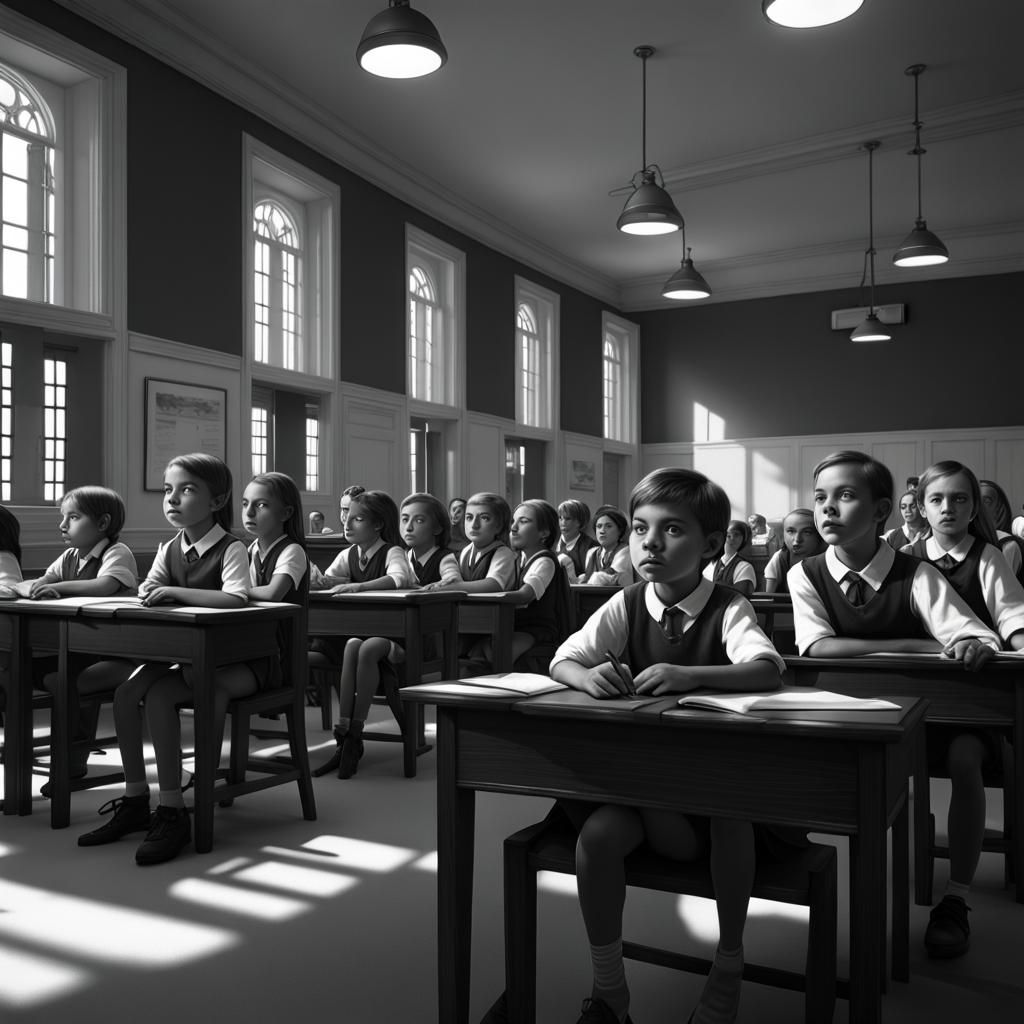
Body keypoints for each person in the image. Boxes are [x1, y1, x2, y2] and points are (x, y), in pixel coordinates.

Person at [550, 467, 788, 1024]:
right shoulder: (626, 602)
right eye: (638, 528)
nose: (649, 543)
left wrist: (689, 676)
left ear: (709, 546)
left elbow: (767, 669)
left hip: (710, 793)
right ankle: (609, 989)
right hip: (636, 784)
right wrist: (584, 678)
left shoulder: (730, 604)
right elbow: (564, 658)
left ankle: (728, 964)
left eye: (671, 530)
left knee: (733, 819)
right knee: (598, 835)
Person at [77, 454, 257, 865]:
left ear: (217, 501)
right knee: (125, 695)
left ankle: (173, 809)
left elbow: (235, 597)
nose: (173, 499)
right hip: (177, 653)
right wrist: (157, 591)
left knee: (158, 698)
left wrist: (176, 593)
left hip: (227, 660)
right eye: (168, 490)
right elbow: (150, 587)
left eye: (187, 490)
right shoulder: (170, 546)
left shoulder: (232, 548)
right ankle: (136, 798)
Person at [905, 461, 1024, 958]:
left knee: (963, 761)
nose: (947, 508)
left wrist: (1009, 642)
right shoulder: (903, 558)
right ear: (921, 507)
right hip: (915, 703)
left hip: (973, 707)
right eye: (937, 499)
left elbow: (1014, 618)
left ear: (975, 507)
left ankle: (956, 897)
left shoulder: (989, 557)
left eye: (959, 499)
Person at [788, 449, 999, 666]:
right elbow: (817, 646)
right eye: (820, 497)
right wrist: (916, 646)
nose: (828, 508)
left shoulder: (918, 574)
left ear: (881, 510)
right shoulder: (803, 573)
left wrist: (969, 643)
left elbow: (975, 636)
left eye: (846, 495)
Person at [16, 487, 138, 787]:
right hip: (78, 651)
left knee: (65, 681)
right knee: (24, 670)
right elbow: (41, 581)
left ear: (102, 523)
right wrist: (29, 588)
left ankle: (70, 761)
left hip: (118, 656)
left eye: (73, 517)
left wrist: (58, 589)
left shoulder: (116, 553)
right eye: (63, 517)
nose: (62, 525)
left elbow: (105, 586)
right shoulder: (70, 556)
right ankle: (28, 759)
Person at [311, 490, 411, 776]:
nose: (347, 523)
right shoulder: (348, 554)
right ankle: (348, 737)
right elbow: (332, 579)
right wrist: (322, 581)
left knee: (364, 647)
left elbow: (399, 578)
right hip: (363, 634)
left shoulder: (392, 551)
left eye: (357, 519)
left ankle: (353, 735)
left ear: (377, 524)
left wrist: (359, 586)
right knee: (353, 644)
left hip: (395, 637)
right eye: (346, 516)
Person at [243, 470, 310, 689]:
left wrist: (234, 591)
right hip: (256, 637)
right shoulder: (251, 549)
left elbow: (273, 593)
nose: (249, 512)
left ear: (286, 512)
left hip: (281, 648)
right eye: (245, 504)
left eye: (261, 505)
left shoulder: (292, 550)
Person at [433, 491, 516, 595]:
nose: (474, 525)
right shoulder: (466, 552)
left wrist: (450, 588)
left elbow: (494, 585)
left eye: (484, 518)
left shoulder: (503, 553)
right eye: (469, 517)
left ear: (499, 525)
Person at [979, 479, 1024, 582]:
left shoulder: (1007, 544)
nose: (979, 506)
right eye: (976, 500)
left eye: (986, 501)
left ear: (1000, 508)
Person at [576, 505, 631, 586]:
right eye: (599, 526)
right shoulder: (592, 552)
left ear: (620, 530)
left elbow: (612, 576)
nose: (602, 531)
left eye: (608, 526)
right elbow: (587, 578)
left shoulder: (625, 551)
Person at [703, 520, 756, 597]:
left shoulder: (745, 567)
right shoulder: (711, 563)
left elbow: (739, 597)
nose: (731, 538)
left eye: (736, 535)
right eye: (728, 535)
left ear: (744, 539)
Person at [557, 500, 598, 579]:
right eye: (560, 518)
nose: (563, 523)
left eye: (567, 519)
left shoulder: (591, 546)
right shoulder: (551, 543)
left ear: (579, 522)